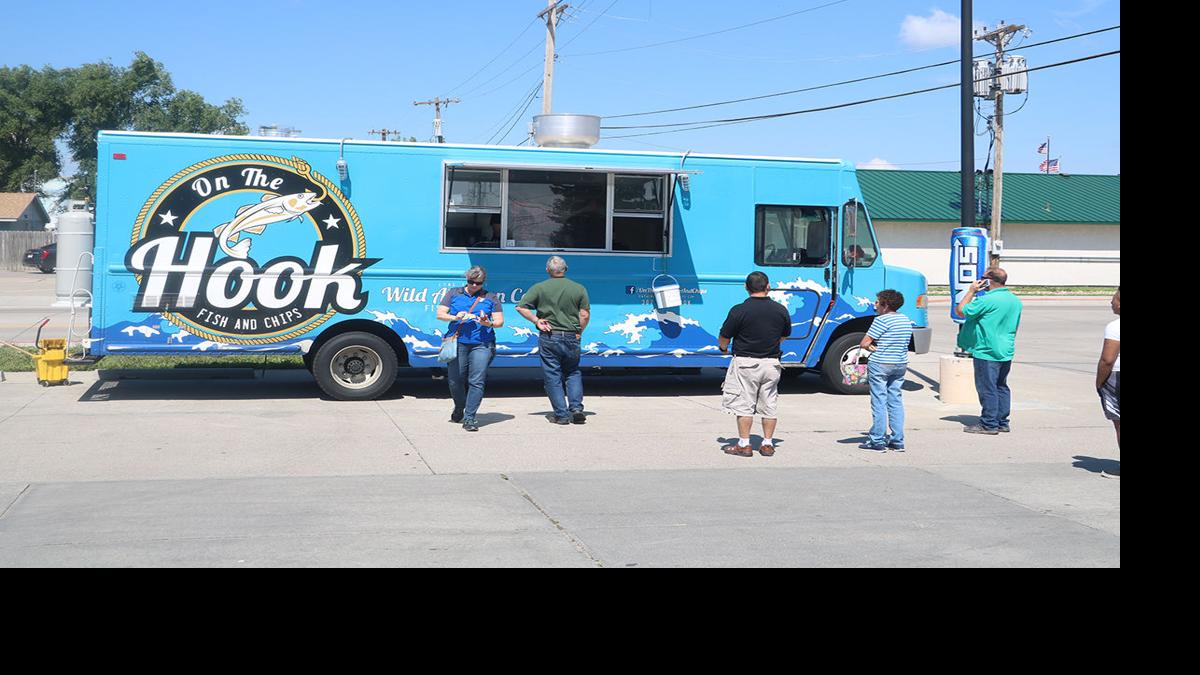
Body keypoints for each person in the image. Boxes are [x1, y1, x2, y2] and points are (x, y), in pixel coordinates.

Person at [718, 271, 792, 457]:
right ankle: (767, 444)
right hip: (772, 364)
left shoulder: (739, 310)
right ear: (768, 286)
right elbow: (784, 335)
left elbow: (725, 336)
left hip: (746, 363)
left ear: (746, 287)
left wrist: (723, 348)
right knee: (769, 404)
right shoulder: (780, 309)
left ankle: (744, 444)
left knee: (744, 405)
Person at [516, 256, 591, 425]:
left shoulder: (539, 287)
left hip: (550, 336)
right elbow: (584, 314)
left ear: (547, 270)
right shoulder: (578, 288)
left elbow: (521, 307)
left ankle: (561, 415)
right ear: (566, 269)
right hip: (572, 336)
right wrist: (579, 331)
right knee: (572, 372)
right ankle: (577, 408)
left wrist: (537, 321)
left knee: (553, 375)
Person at [436, 265, 504, 432]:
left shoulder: (491, 297)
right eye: (470, 282)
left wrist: (487, 323)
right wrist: (455, 316)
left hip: (482, 343)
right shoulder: (454, 293)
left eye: (477, 283)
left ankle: (470, 417)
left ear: (483, 282)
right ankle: (460, 406)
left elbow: (499, 322)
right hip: (457, 342)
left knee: (477, 380)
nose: (473, 285)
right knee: (455, 379)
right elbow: (440, 314)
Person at [956, 267, 1023, 435]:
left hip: (987, 349)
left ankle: (989, 423)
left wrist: (971, 291)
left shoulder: (986, 300)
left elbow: (961, 310)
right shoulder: (1014, 300)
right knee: (1001, 386)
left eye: (983, 277)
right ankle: (1002, 421)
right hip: (1006, 349)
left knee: (987, 387)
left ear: (989, 280)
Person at [858, 289, 913, 452]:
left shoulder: (881, 320)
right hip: (900, 363)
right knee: (895, 400)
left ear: (885, 305)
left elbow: (864, 343)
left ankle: (877, 439)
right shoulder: (905, 319)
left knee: (879, 401)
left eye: (877, 302)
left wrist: (871, 346)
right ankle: (897, 440)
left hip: (881, 363)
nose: (875, 305)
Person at [1096, 287, 1120, 448]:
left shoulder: (1115, 327)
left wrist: (1099, 382)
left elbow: (1107, 360)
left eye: (1115, 299)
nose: (1111, 302)